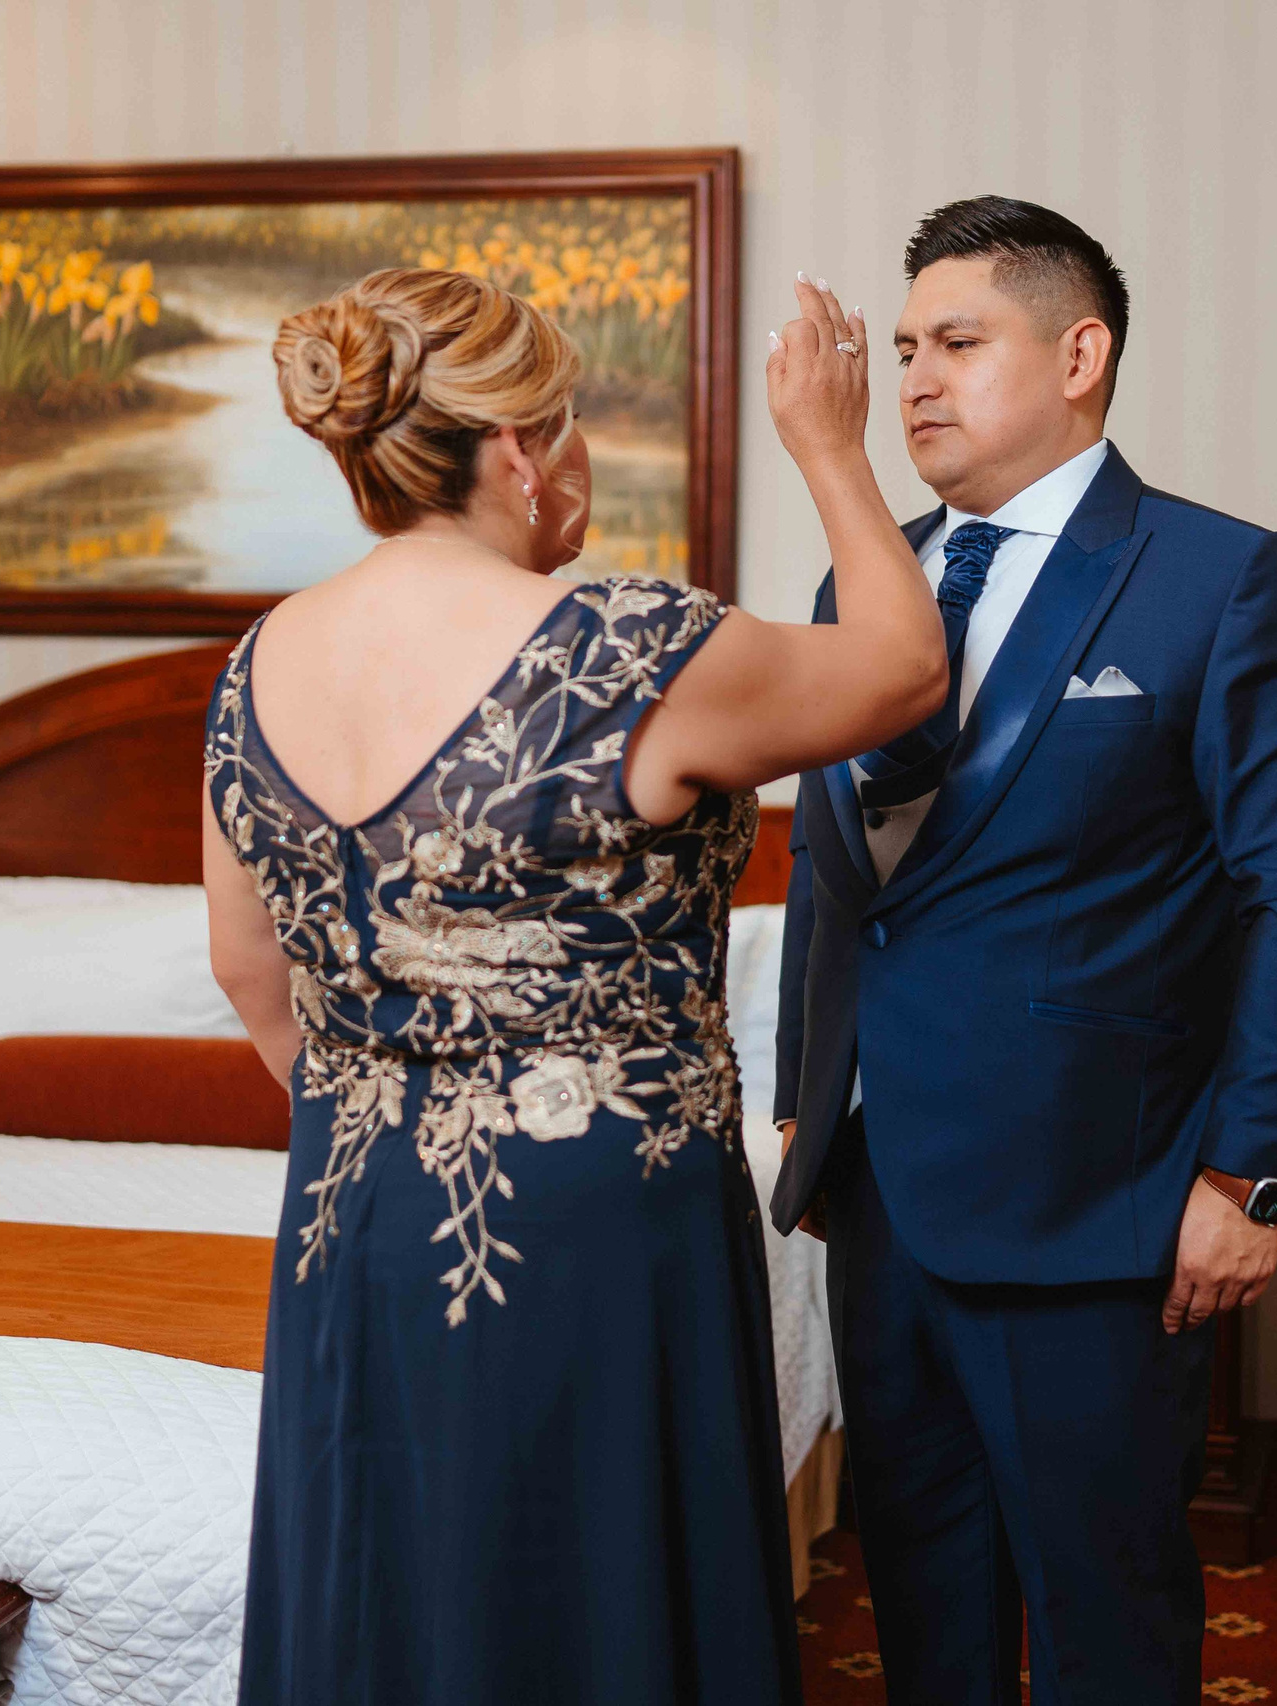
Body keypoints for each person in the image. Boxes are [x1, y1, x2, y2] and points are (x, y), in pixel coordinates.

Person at [201, 264, 941, 1705]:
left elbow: (248, 969)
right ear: (523, 451)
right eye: (576, 423)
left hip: (353, 1213)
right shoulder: (627, 646)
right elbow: (908, 668)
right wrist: (833, 449)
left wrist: (396, 1101)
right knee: (587, 1603)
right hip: (592, 1215)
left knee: (390, 1582)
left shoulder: (254, 664)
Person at [768, 196, 1277, 1705]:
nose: (913, 378)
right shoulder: (867, 572)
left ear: (1081, 353)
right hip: (885, 1189)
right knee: (922, 1598)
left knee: (1104, 1610)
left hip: (1098, 1201)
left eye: (958, 342)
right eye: (904, 347)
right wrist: (804, 1088)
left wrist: (1254, 1175)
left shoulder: (1216, 575)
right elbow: (832, 872)